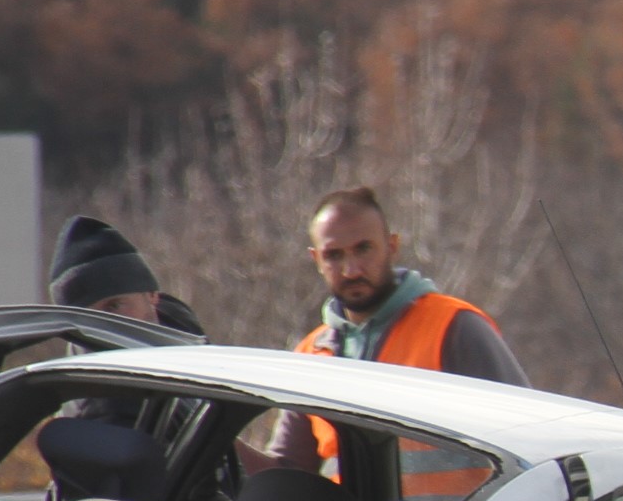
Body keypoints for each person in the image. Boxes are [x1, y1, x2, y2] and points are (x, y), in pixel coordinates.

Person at [247, 186, 526, 478]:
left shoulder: (453, 327)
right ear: (316, 259)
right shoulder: (311, 357)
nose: (351, 269)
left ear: (392, 246)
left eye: (363, 249)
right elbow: (286, 476)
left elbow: (526, 439)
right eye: (334, 255)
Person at [46, 214, 205, 335]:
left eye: (114, 306)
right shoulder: (72, 376)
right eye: (85, 318)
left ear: (151, 295)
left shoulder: (199, 357)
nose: (101, 324)